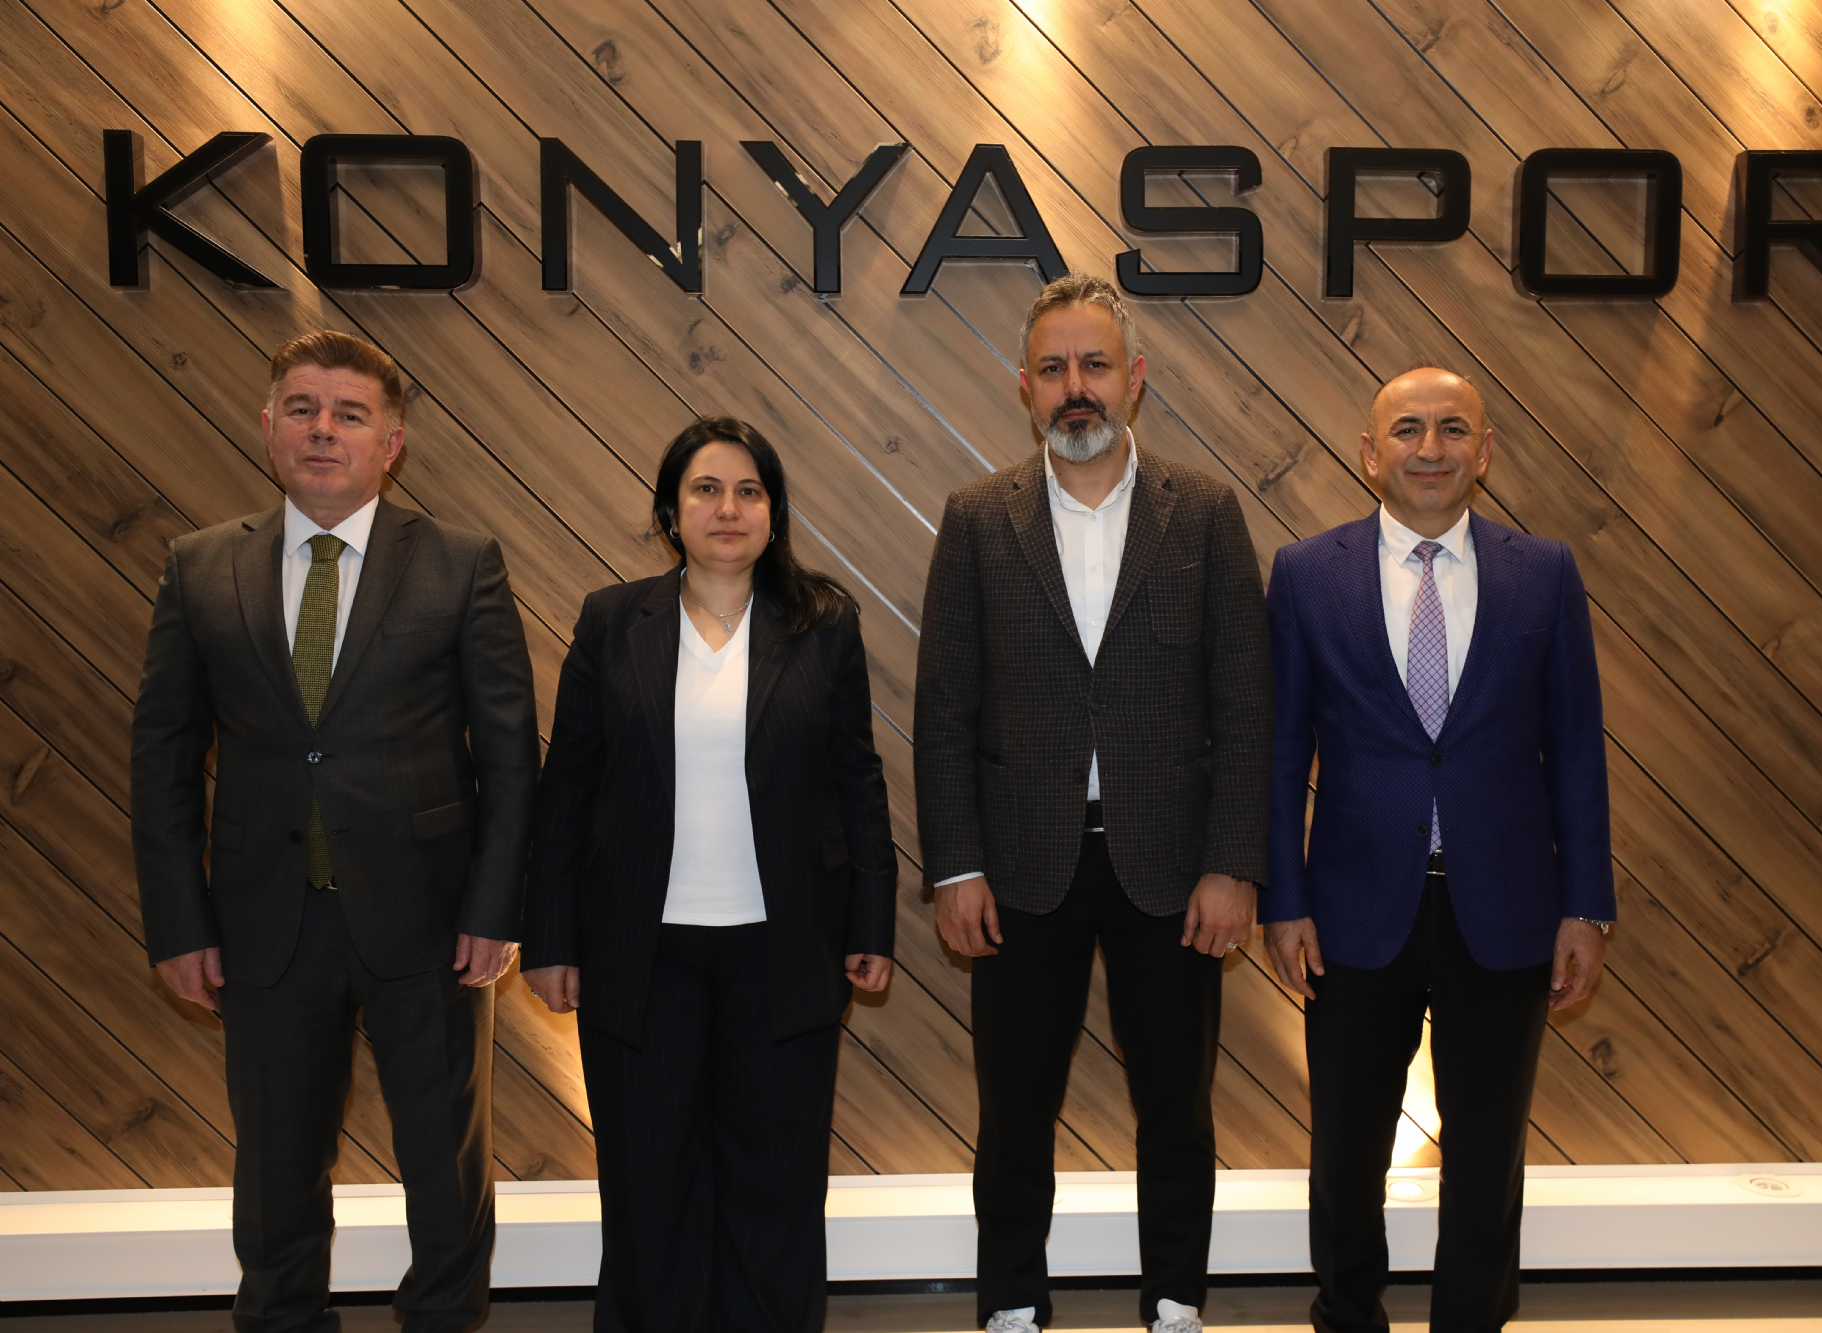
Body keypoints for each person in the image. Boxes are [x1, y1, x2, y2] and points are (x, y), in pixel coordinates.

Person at [131, 330, 539, 1333]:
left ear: (390, 444)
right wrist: (178, 922)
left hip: (432, 922)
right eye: (303, 409)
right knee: (275, 1162)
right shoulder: (199, 567)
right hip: (265, 924)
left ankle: (443, 1319)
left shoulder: (460, 564)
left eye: (349, 414)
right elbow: (163, 757)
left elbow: (509, 755)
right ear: (268, 427)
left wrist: (497, 908)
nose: (323, 429)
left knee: (444, 1159)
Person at [915, 274, 1272, 1333]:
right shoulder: (976, 519)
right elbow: (944, 710)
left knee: (1176, 1107)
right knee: (1013, 1110)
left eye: (1095, 365)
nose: (1077, 386)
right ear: (1024, 387)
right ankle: (1011, 1306)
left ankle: (1175, 1301)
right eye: (1054, 368)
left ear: (1135, 378)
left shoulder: (1202, 512)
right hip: (1020, 868)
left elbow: (1244, 704)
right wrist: (954, 866)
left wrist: (1233, 863)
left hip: (1173, 869)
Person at [519, 415, 896, 1333]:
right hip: (640, 957)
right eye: (706, 489)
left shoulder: (824, 624)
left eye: (749, 491)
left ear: (774, 513)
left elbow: (857, 781)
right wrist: (551, 936)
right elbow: (567, 785)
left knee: (777, 1189)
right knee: (649, 1188)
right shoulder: (614, 620)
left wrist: (871, 925)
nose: (729, 508)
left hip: (786, 951)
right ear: (670, 512)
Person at [1262, 366, 1615, 1332]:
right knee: (1345, 1150)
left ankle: (1471, 1321)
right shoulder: (1306, 574)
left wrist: (1586, 904)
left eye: (1453, 428)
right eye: (1408, 429)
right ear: (1369, 453)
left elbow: (1575, 748)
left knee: (1488, 1153)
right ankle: (1347, 1316)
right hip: (1350, 913)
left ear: (1484, 451)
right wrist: (1282, 899)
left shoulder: (1543, 573)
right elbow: (1280, 751)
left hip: (1505, 910)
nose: (1430, 448)